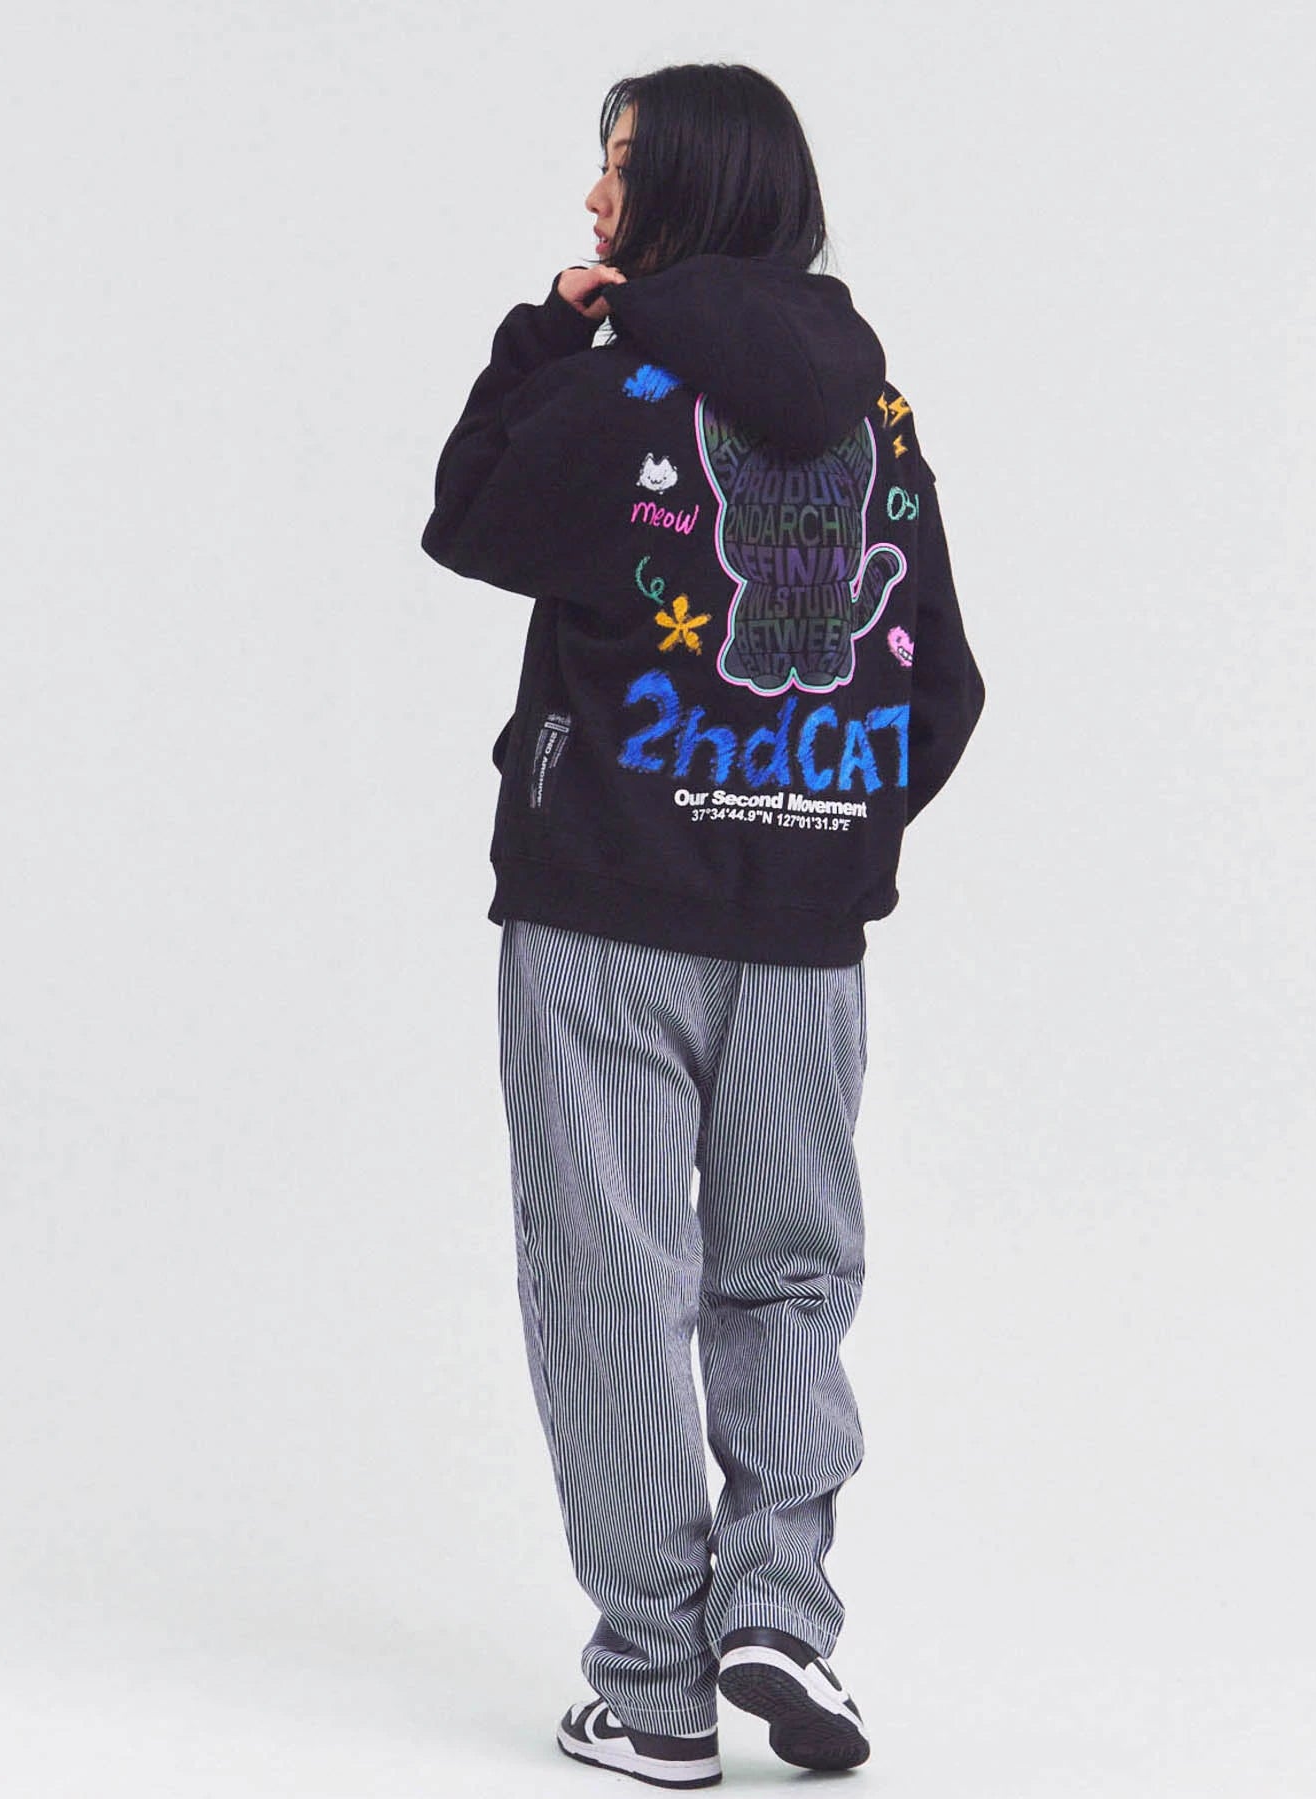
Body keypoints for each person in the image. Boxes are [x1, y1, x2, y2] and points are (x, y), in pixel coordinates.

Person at [420, 61, 985, 1788]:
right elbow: (942, 689)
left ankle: (658, 1691)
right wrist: (820, 837)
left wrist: (547, 331)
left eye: (619, 168)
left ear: (688, 191)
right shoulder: (879, 414)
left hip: (603, 919)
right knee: (790, 1277)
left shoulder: (624, 385)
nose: (596, 198)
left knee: (609, 1281)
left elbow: (468, 516)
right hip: (807, 944)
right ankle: (781, 1613)